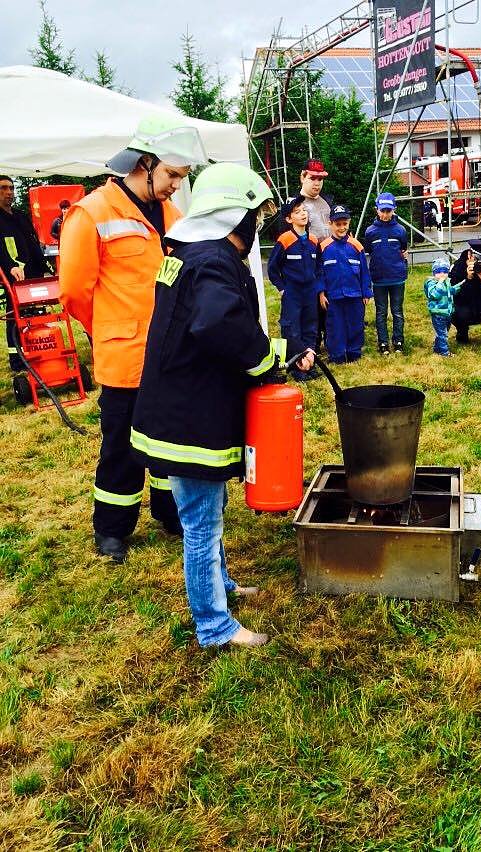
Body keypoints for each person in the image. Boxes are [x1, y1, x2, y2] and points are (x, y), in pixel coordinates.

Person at [130, 163, 315, 649]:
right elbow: (218, 326)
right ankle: (214, 627)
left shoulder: (193, 253)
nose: (258, 223)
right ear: (236, 216)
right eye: (254, 214)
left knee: (206, 512)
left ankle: (222, 587)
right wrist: (270, 355)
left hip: (178, 404)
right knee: (200, 521)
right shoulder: (212, 261)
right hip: (189, 416)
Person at [59, 115, 208, 563]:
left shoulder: (172, 214)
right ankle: (112, 531)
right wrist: (107, 328)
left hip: (169, 354)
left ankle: (169, 512)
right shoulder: (93, 212)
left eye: (182, 178)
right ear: (144, 164)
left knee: (168, 441)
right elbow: (73, 291)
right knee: (121, 447)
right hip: (124, 356)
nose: (176, 186)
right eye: (172, 176)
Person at [0, 175, 52, 371]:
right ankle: (17, 360)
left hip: (32, 273)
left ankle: (38, 348)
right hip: (12, 276)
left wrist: (46, 270)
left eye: (11, 188)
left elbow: (33, 244)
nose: (9, 192)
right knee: (15, 317)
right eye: (3, 188)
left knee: (35, 313)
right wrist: (9, 267)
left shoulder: (21, 216)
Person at [267, 195, 321, 381]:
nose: (303, 214)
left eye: (304, 210)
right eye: (297, 212)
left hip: (310, 293)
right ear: (289, 219)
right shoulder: (285, 240)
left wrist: (318, 287)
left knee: (310, 328)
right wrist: (282, 288)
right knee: (292, 330)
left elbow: (319, 267)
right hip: (292, 294)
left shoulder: (314, 240)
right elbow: (272, 268)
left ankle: (309, 365)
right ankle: (296, 367)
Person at [319, 204, 372, 363]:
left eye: (345, 224)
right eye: (338, 224)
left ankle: (354, 353)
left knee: (355, 324)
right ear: (330, 224)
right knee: (335, 327)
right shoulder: (323, 247)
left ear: (349, 223)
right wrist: (321, 293)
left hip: (355, 295)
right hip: (333, 296)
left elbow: (364, 271)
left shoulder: (356, 246)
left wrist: (366, 292)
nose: (342, 228)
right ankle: (337, 355)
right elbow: (319, 273)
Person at [363, 191, 408, 355]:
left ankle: (398, 341)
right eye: (382, 210)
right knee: (381, 312)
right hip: (379, 279)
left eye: (388, 210)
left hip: (397, 278)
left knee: (397, 311)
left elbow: (403, 248)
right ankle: (383, 342)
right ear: (376, 209)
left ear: (394, 209)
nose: (385, 214)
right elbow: (368, 249)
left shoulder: (400, 230)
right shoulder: (370, 231)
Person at [298, 158, 332, 350]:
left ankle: (330, 338)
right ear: (303, 177)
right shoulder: (297, 205)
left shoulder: (326, 203)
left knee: (327, 303)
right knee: (311, 306)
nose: (317, 183)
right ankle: (312, 344)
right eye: (313, 178)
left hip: (328, 261)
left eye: (320, 179)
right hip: (308, 264)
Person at [425, 257, 463, 357]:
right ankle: (444, 353)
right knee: (443, 334)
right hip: (438, 313)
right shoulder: (432, 284)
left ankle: (437, 348)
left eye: (445, 271)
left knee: (442, 332)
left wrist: (457, 287)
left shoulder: (447, 282)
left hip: (447, 312)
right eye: (438, 272)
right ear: (434, 273)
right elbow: (435, 294)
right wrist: (441, 282)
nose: (442, 274)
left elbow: (449, 291)